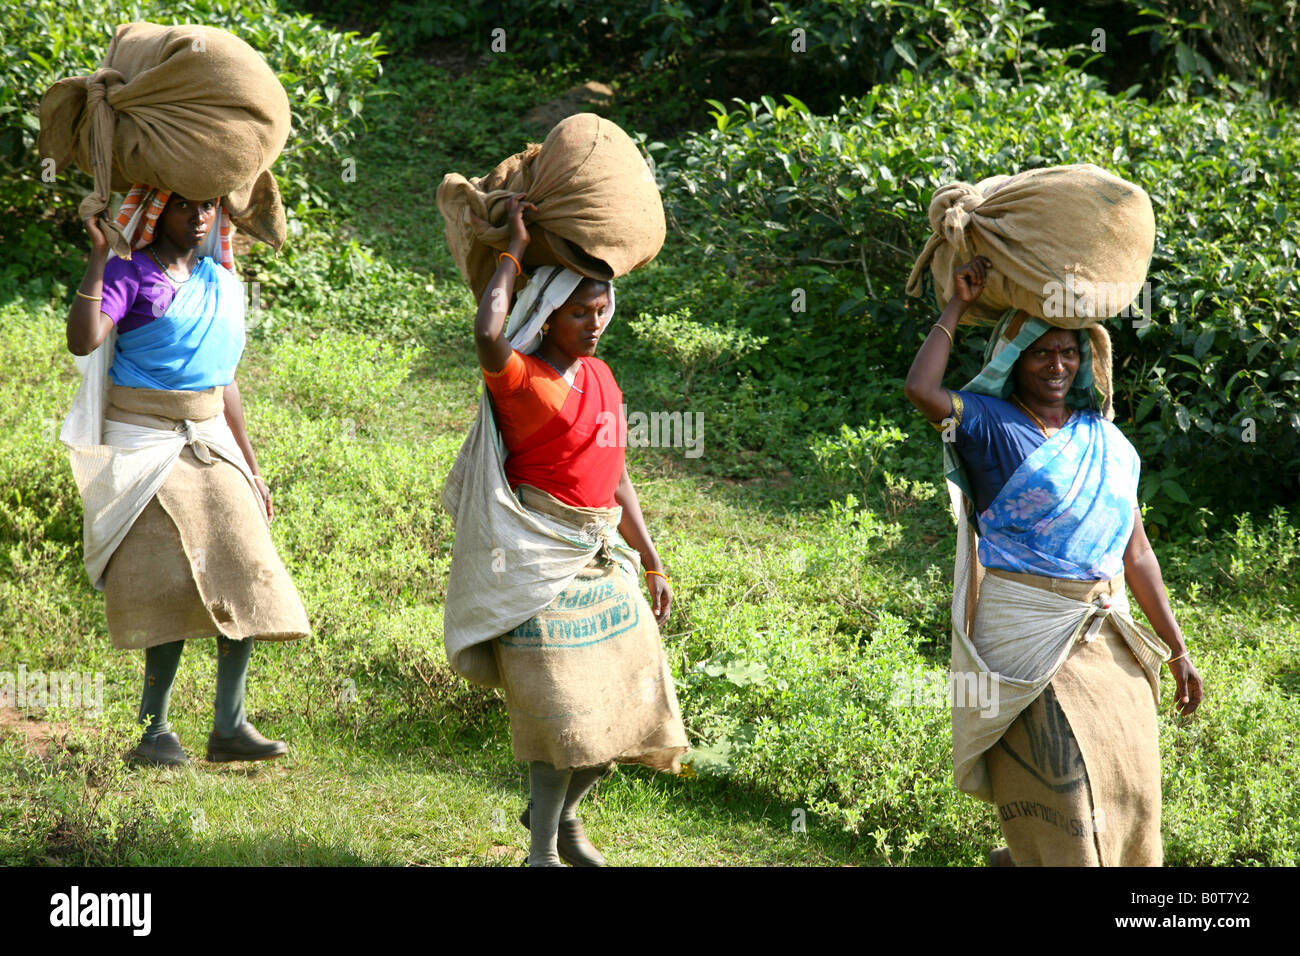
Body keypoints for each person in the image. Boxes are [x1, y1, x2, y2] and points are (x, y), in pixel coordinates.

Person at [903, 255, 1204, 866]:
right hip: (1031, 636)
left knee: (1129, 792)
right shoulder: (989, 424)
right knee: (1061, 807)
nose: (1059, 365)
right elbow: (921, 390)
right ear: (1014, 361)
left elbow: (1137, 553)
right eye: (1042, 353)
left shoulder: (1109, 444)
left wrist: (1177, 649)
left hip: (1108, 641)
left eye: (1070, 353)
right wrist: (956, 306)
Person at [442, 194, 687, 867]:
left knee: (619, 717)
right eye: (581, 311)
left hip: (601, 559)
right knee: (564, 722)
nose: (596, 323)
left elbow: (616, 476)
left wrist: (653, 559)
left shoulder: (603, 379)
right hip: (536, 560)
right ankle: (541, 853)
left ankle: (564, 820)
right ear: (548, 314)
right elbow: (488, 333)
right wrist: (513, 253)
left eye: (603, 310)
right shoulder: (522, 381)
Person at [62, 186, 310, 767]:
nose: (198, 217)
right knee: (164, 582)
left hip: (209, 438)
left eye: (206, 206)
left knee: (245, 567)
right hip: (145, 442)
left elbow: (225, 381)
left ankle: (230, 725)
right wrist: (98, 256)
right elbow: (82, 339)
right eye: (183, 206)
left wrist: (251, 465)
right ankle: (154, 732)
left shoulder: (222, 282)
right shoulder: (130, 273)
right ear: (157, 213)